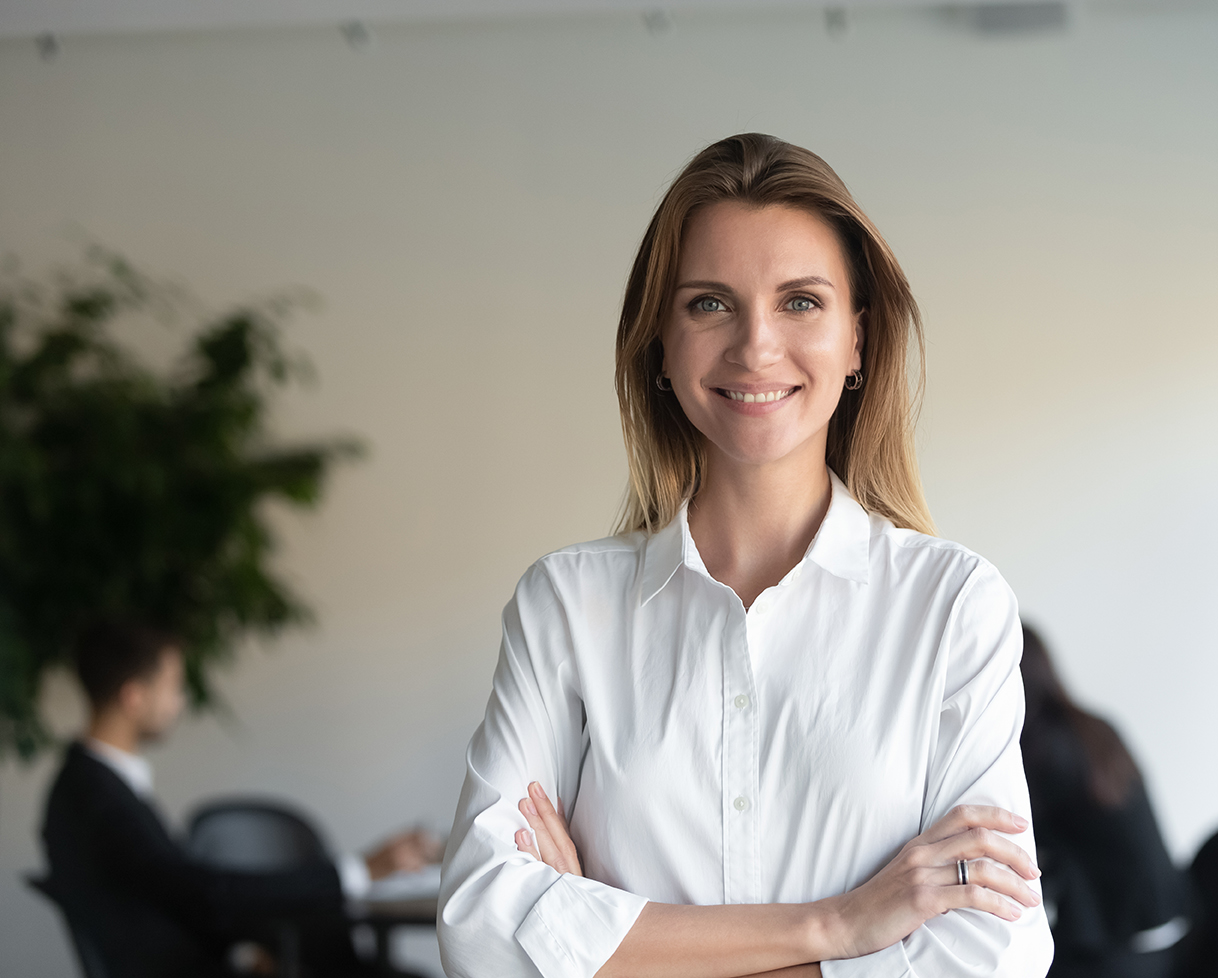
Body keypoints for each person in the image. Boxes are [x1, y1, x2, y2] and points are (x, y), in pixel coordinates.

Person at [438, 133, 1053, 978]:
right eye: (708, 303)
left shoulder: (952, 606)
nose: (756, 346)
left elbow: (993, 955)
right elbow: (479, 929)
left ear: (857, 341)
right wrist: (836, 928)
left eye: (799, 301)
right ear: (660, 342)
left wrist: (597, 946)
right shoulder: (564, 604)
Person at [41, 619, 441, 978]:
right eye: (173, 687)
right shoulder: (97, 797)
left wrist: (244, 949)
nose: (180, 702)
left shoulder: (88, 785)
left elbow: (170, 898)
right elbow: (203, 894)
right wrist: (357, 871)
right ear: (134, 697)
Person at [1018, 625, 1189, 978]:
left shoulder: (1042, 747)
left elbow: (1013, 834)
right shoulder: (1093, 727)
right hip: (1162, 935)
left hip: (1115, 948)